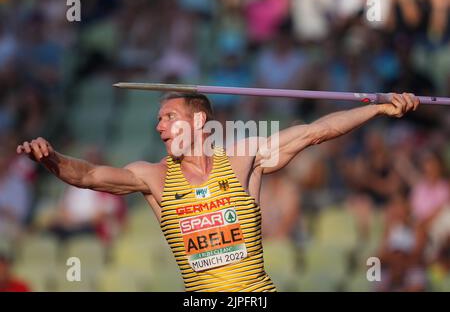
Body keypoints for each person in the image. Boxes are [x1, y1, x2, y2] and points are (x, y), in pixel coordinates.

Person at [16, 91, 419, 292]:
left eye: (169, 117)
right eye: (157, 120)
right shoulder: (152, 177)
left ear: (199, 122)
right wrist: (50, 158)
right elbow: (87, 176)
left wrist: (379, 108)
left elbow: (317, 132)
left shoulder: (243, 158)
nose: (159, 126)